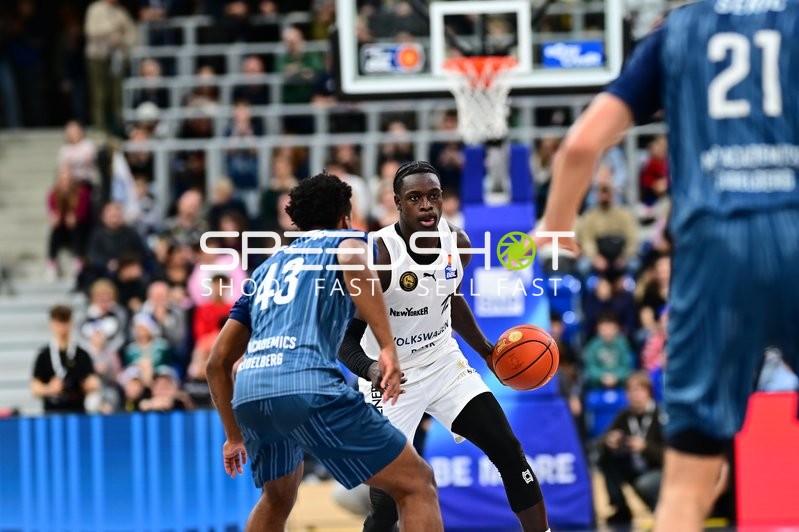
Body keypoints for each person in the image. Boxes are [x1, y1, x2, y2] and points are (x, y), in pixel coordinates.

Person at [538, 3, 799, 530]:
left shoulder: (678, 31)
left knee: (688, 478)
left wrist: (557, 226)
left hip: (711, 249)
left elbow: (583, 143)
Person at [206, 172, 443, 532]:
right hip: (306, 385)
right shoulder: (346, 240)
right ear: (344, 217)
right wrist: (387, 348)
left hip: (252, 392)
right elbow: (352, 259)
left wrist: (233, 436)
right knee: (417, 484)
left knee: (277, 498)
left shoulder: (267, 267)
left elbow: (217, 363)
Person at [337, 161, 550, 532]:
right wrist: (374, 370)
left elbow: (450, 299)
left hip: (442, 363)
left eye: (434, 196)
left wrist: (485, 349)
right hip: (389, 379)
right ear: (398, 203)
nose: (427, 205)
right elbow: (344, 340)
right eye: (415, 197)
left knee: (508, 449)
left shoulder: (459, 243)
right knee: (387, 498)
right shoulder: (379, 256)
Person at [598, 371, 665, 524]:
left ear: (648, 392)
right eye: (630, 391)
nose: (634, 395)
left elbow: (669, 456)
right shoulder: (625, 415)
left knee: (645, 483)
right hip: (635, 467)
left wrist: (646, 448)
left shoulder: (660, 415)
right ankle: (621, 510)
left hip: (658, 469)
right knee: (605, 460)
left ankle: (661, 509)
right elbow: (601, 440)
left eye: (638, 390)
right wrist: (609, 442)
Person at [31, 305, 101, 413]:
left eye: (65, 321)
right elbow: (35, 388)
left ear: (71, 322)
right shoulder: (44, 355)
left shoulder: (81, 354)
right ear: (52, 323)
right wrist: (49, 389)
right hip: (52, 412)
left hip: (77, 411)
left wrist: (87, 386)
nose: (62, 327)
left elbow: (93, 382)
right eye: (59, 322)